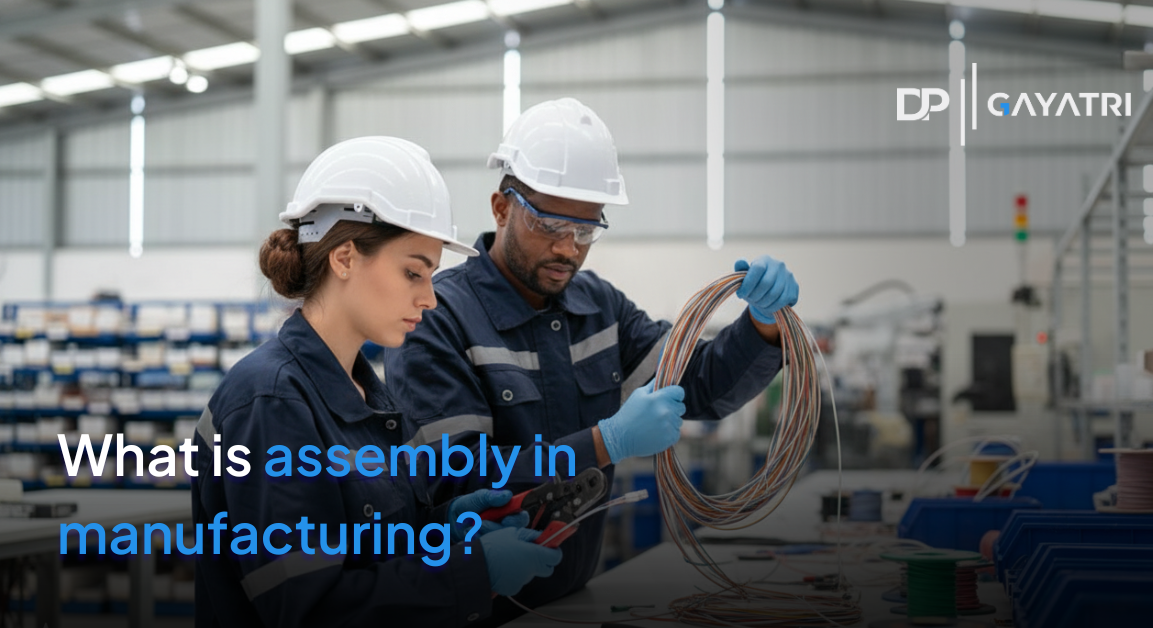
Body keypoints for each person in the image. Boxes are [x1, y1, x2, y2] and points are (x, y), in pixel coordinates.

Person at [384, 99, 801, 623]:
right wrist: (604, 443)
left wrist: (761, 324)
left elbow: (700, 386)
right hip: (473, 606)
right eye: (549, 225)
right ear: (501, 207)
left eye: (586, 231)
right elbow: (457, 476)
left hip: (574, 598)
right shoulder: (438, 318)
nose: (568, 249)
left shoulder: (598, 307)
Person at [191, 136, 562, 627]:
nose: (429, 298)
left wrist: (445, 529)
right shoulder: (271, 401)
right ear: (344, 258)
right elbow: (307, 608)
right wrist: (474, 572)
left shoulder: (370, 398)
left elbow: (370, 546)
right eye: (414, 273)